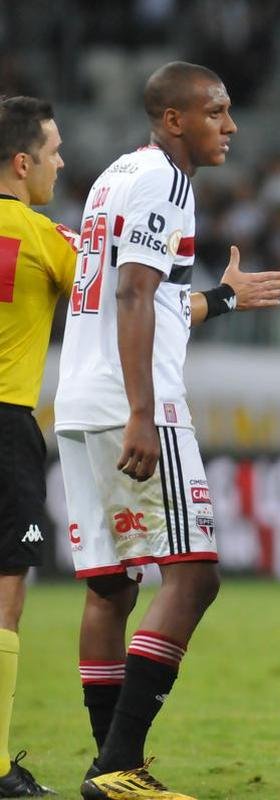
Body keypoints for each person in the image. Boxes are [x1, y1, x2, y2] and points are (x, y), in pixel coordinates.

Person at [53, 61, 280, 800]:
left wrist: (218, 298)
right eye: (216, 112)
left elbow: (146, 299)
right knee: (194, 574)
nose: (231, 125)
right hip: (133, 401)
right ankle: (118, 763)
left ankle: (113, 768)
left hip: (78, 398)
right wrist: (143, 410)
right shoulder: (166, 181)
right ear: (174, 118)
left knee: (109, 588)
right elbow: (131, 293)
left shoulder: (112, 177)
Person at [0, 95, 72, 797]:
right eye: (52, 153)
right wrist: (222, 297)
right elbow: (131, 298)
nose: (60, 163)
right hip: (4, 424)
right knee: (4, 594)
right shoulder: (42, 236)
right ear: (22, 164)